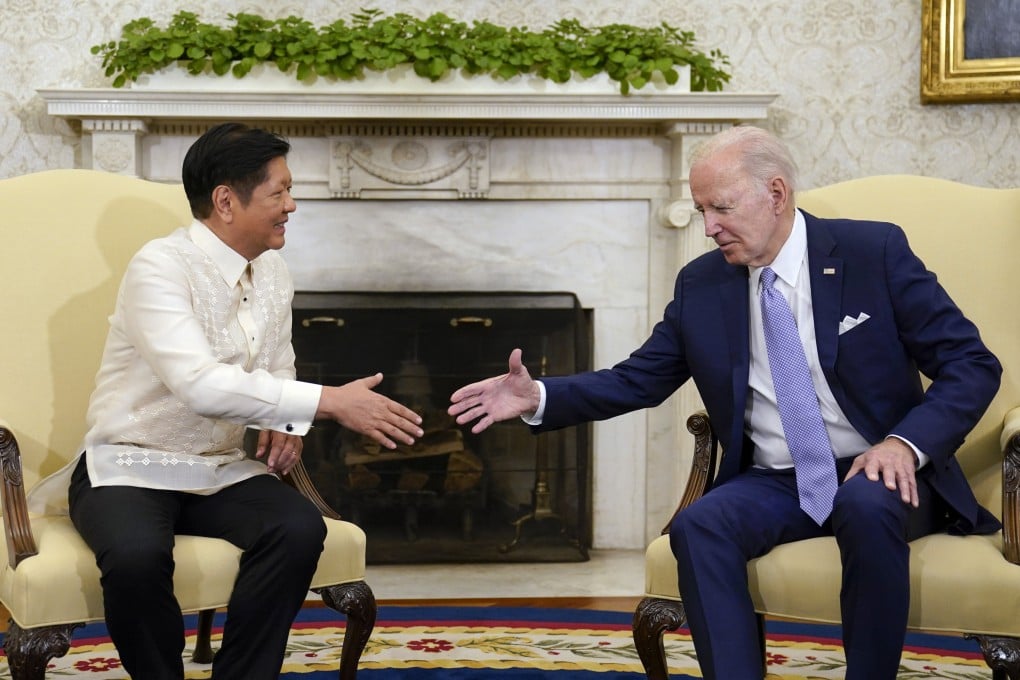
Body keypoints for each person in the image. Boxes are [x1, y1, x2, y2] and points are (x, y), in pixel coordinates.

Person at [447, 125, 1002, 679]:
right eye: (700, 210)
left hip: (880, 470)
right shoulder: (702, 284)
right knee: (699, 526)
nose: (709, 227)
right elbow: (638, 379)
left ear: (776, 194)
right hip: (778, 480)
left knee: (863, 504)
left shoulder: (872, 252)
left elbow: (971, 365)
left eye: (722, 208)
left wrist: (904, 445)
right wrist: (538, 396)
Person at [27, 122, 424, 680]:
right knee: (137, 557)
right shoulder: (160, 267)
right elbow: (198, 383)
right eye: (279, 191)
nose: (293, 204)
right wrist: (326, 402)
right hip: (128, 465)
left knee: (298, 528)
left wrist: (288, 422)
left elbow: (279, 360)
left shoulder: (274, 272)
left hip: (217, 471)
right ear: (225, 201)